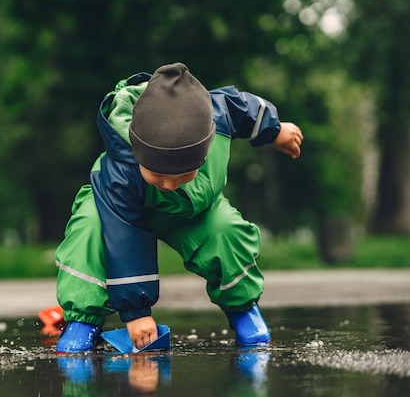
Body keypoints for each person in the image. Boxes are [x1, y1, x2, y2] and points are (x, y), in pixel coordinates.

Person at [54, 62, 303, 353]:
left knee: (227, 233)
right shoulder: (123, 168)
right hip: (118, 211)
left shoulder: (218, 111)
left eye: (184, 174)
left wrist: (275, 130)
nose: (170, 184)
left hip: (194, 210)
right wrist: (137, 314)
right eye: (157, 174)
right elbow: (124, 240)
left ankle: (242, 308)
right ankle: (84, 321)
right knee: (88, 230)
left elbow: (245, 108)